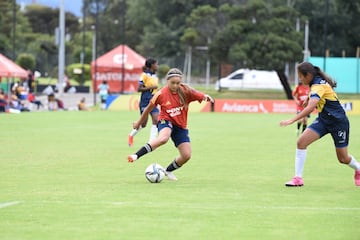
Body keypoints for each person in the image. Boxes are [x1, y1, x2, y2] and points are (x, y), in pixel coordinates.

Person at [280, 62, 360, 187]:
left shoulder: (318, 85)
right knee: (301, 142)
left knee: (343, 158)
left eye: (301, 76)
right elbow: (317, 93)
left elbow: (311, 107)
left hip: (338, 123)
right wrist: (308, 97)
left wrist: (292, 120)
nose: (300, 79)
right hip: (323, 120)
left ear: (308, 75)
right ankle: (298, 178)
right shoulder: (316, 81)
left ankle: (358, 169)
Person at [127, 68, 214, 181]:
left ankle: (167, 171)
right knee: (163, 138)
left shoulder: (186, 91)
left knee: (186, 155)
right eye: (172, 83)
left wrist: (206, 97)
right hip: (165, 120)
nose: (175, 85)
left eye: (178, 83)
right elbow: (148, 109)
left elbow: (200, 95)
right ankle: (136, 155)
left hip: (180, 126)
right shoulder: (161, 94)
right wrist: (138, 122)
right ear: (167, 81)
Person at [128, 58, 160, 146]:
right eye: (156, 64)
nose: (158, 66)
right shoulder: (144, 75)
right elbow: (139, 89)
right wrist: (150, 87)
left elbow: (155, 88)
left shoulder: (155, 76)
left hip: (153, 101)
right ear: (152, 65)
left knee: (156, 120)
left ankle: (151, 142)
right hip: (145, 101)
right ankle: (131, 135)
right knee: (143, 124)